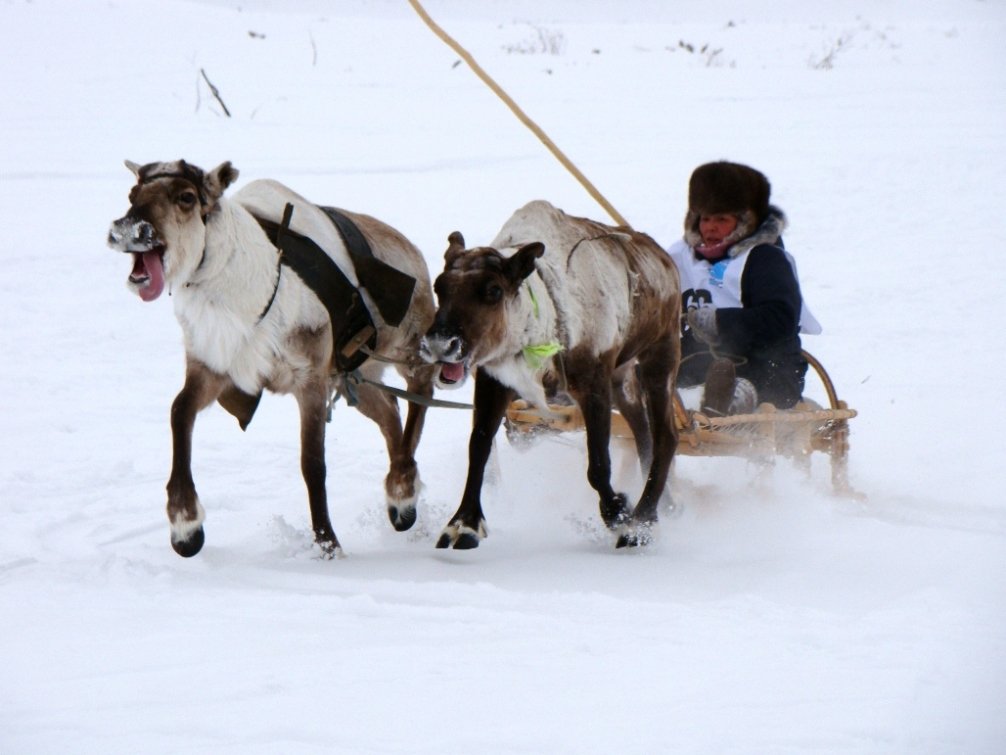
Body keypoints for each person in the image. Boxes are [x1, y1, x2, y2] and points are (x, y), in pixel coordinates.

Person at [667, 161, 821, 416]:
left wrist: (719, 322)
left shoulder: (765, 260)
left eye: (721, 219)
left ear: (745, 222)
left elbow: (780, 318)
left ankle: (729, 398)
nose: (710, 227)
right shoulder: (680, 257)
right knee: (643, 377)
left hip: (767, 368)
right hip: (695, 364)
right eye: (705, 219)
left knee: (734, 381)